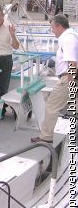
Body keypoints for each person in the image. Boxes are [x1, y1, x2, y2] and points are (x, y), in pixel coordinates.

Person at [31, 15, 78, 143]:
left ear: (59, 26)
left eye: (52, 28)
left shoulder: (67, 38)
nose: (52, 31)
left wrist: (70, 83)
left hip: (67, 78)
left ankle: (46, 137)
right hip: (70, 77)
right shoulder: (71, 35)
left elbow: (72, 62)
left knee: (51, 106)